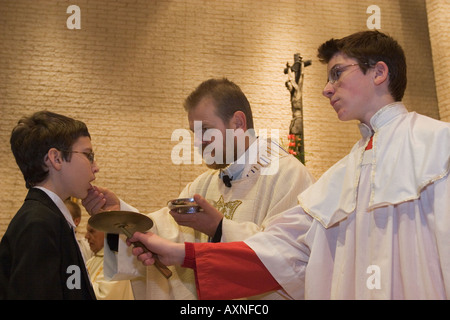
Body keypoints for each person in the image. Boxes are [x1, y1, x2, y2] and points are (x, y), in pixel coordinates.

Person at [129, 30, 450, 300]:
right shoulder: (341, 175)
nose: (326, 89)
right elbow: (283, 252)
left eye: (337, 73)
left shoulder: (438, 145)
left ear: (379, 72)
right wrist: (183, 254)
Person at [82, 78, 315, 300]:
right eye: (194, 133)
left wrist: (219, 228)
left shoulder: (287, 175)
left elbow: (289, 259)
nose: (197, 142)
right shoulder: (204, 183)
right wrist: (119, 215)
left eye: (206, 130)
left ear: (238, 123)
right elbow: (163, 230)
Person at [0, 111, 98, 300]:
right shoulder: (38, 224)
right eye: (88, 155)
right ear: (56, 158)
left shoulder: (52, 219)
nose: (95, 166)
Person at [84, 224, 134, 300]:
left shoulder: (117, 264)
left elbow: (105, 296)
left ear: (106, 232)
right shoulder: (90, 262)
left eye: (92, 231)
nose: (86, 236)